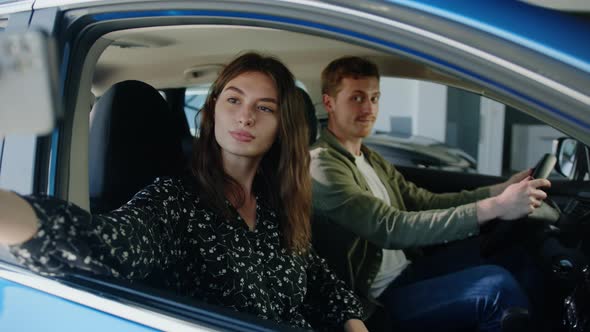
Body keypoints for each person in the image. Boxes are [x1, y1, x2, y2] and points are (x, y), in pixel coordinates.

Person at [0, 52, 368, 331]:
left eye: (264, 108)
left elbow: (320, 280)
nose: (245, 117)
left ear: (281, 127)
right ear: (212, 112)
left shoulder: (278, 204)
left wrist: (353, 322)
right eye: (234, 100)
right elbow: (102, 243)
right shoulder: (175, 202)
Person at [310, 56, 551, 332]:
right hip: (376, 302)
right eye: (357, 98)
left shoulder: (368, 157)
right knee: (497, 289)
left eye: (374, 98)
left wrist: (501, 190)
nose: (369, 108)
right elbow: (390, 227)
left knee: (517, 257)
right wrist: (496, 206)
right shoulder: (321, 165)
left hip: (409, 270)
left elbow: (425, 202)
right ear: (329, 103)